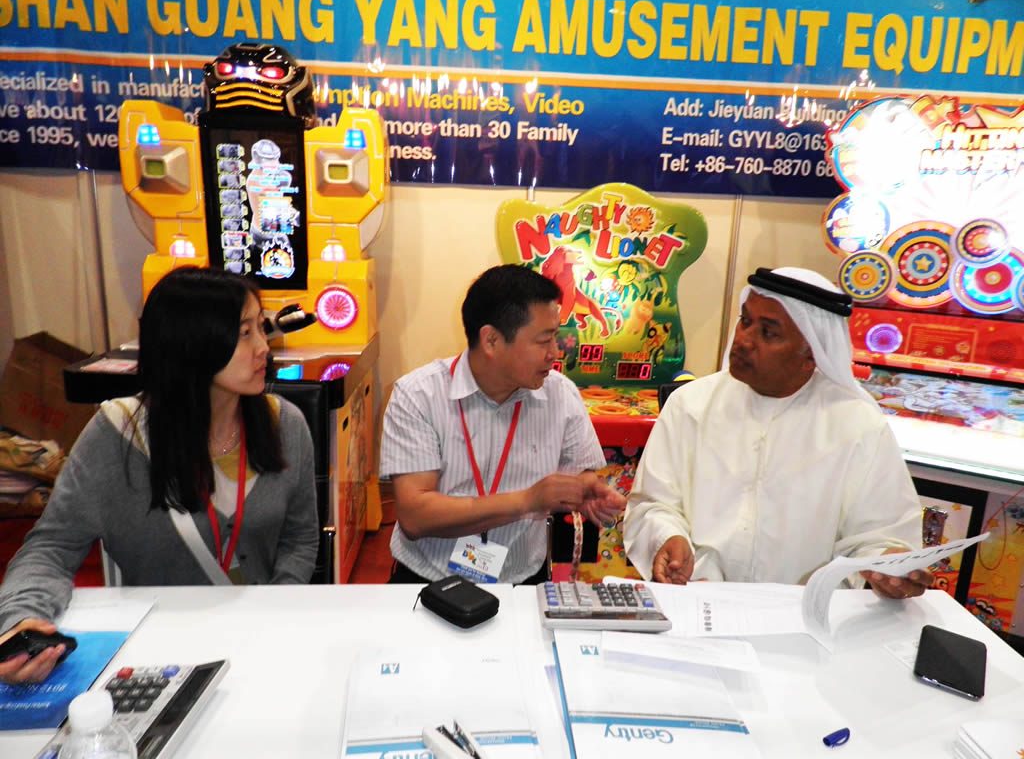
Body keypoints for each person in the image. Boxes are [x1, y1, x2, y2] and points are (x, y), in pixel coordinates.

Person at [0, 267, 319, 684]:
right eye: (245, 333)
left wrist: (275, 607)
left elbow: (300, 537)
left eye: (261, 328)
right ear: (192, 343)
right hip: (158, 655)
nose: (263, 347)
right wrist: (21, 618)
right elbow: (52, 546)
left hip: (262, 645)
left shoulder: (285, 424)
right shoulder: (117, 435)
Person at [623, 266, 929, 599]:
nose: (743, 340)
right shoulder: (691, 405)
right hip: (697, 600)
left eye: (769, 333)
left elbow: (881, 537)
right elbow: (652, 504)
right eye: (745, 321)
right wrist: (667, 538)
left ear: (811, 355)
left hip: (803, 615)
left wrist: (889, 566)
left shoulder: (857, 425)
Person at [380, 264, 625, 584]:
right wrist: (526, 500)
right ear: (491, 340)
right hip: (428, 579)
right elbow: (415, 516)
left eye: (556, 337)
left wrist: (585, 489)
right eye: (544, 340)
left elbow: (581, 473)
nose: (555, 353)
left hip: (521, 579)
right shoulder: (418, 396)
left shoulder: (561, 394)